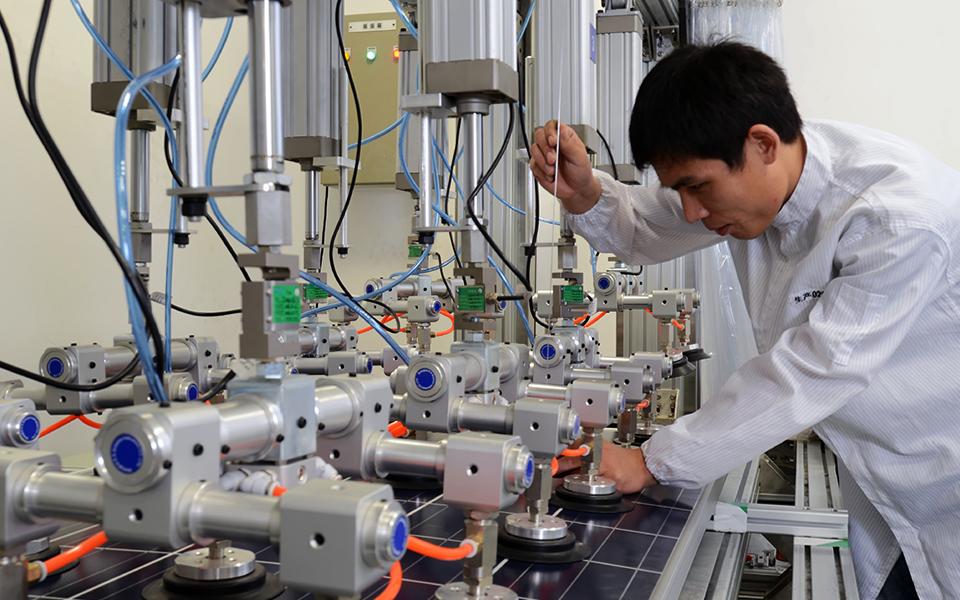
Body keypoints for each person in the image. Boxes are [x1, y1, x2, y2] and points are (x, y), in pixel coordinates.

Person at [530, 41, 960, 600]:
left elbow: (814, 371)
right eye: (676, 188)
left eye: (697, 187)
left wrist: (651, 460)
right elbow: (644, 225)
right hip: (883, 484)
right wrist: (587, 191)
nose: (690, 212)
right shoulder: (759, 174)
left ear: (761, 144)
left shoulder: (895, 217)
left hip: (944, 487)